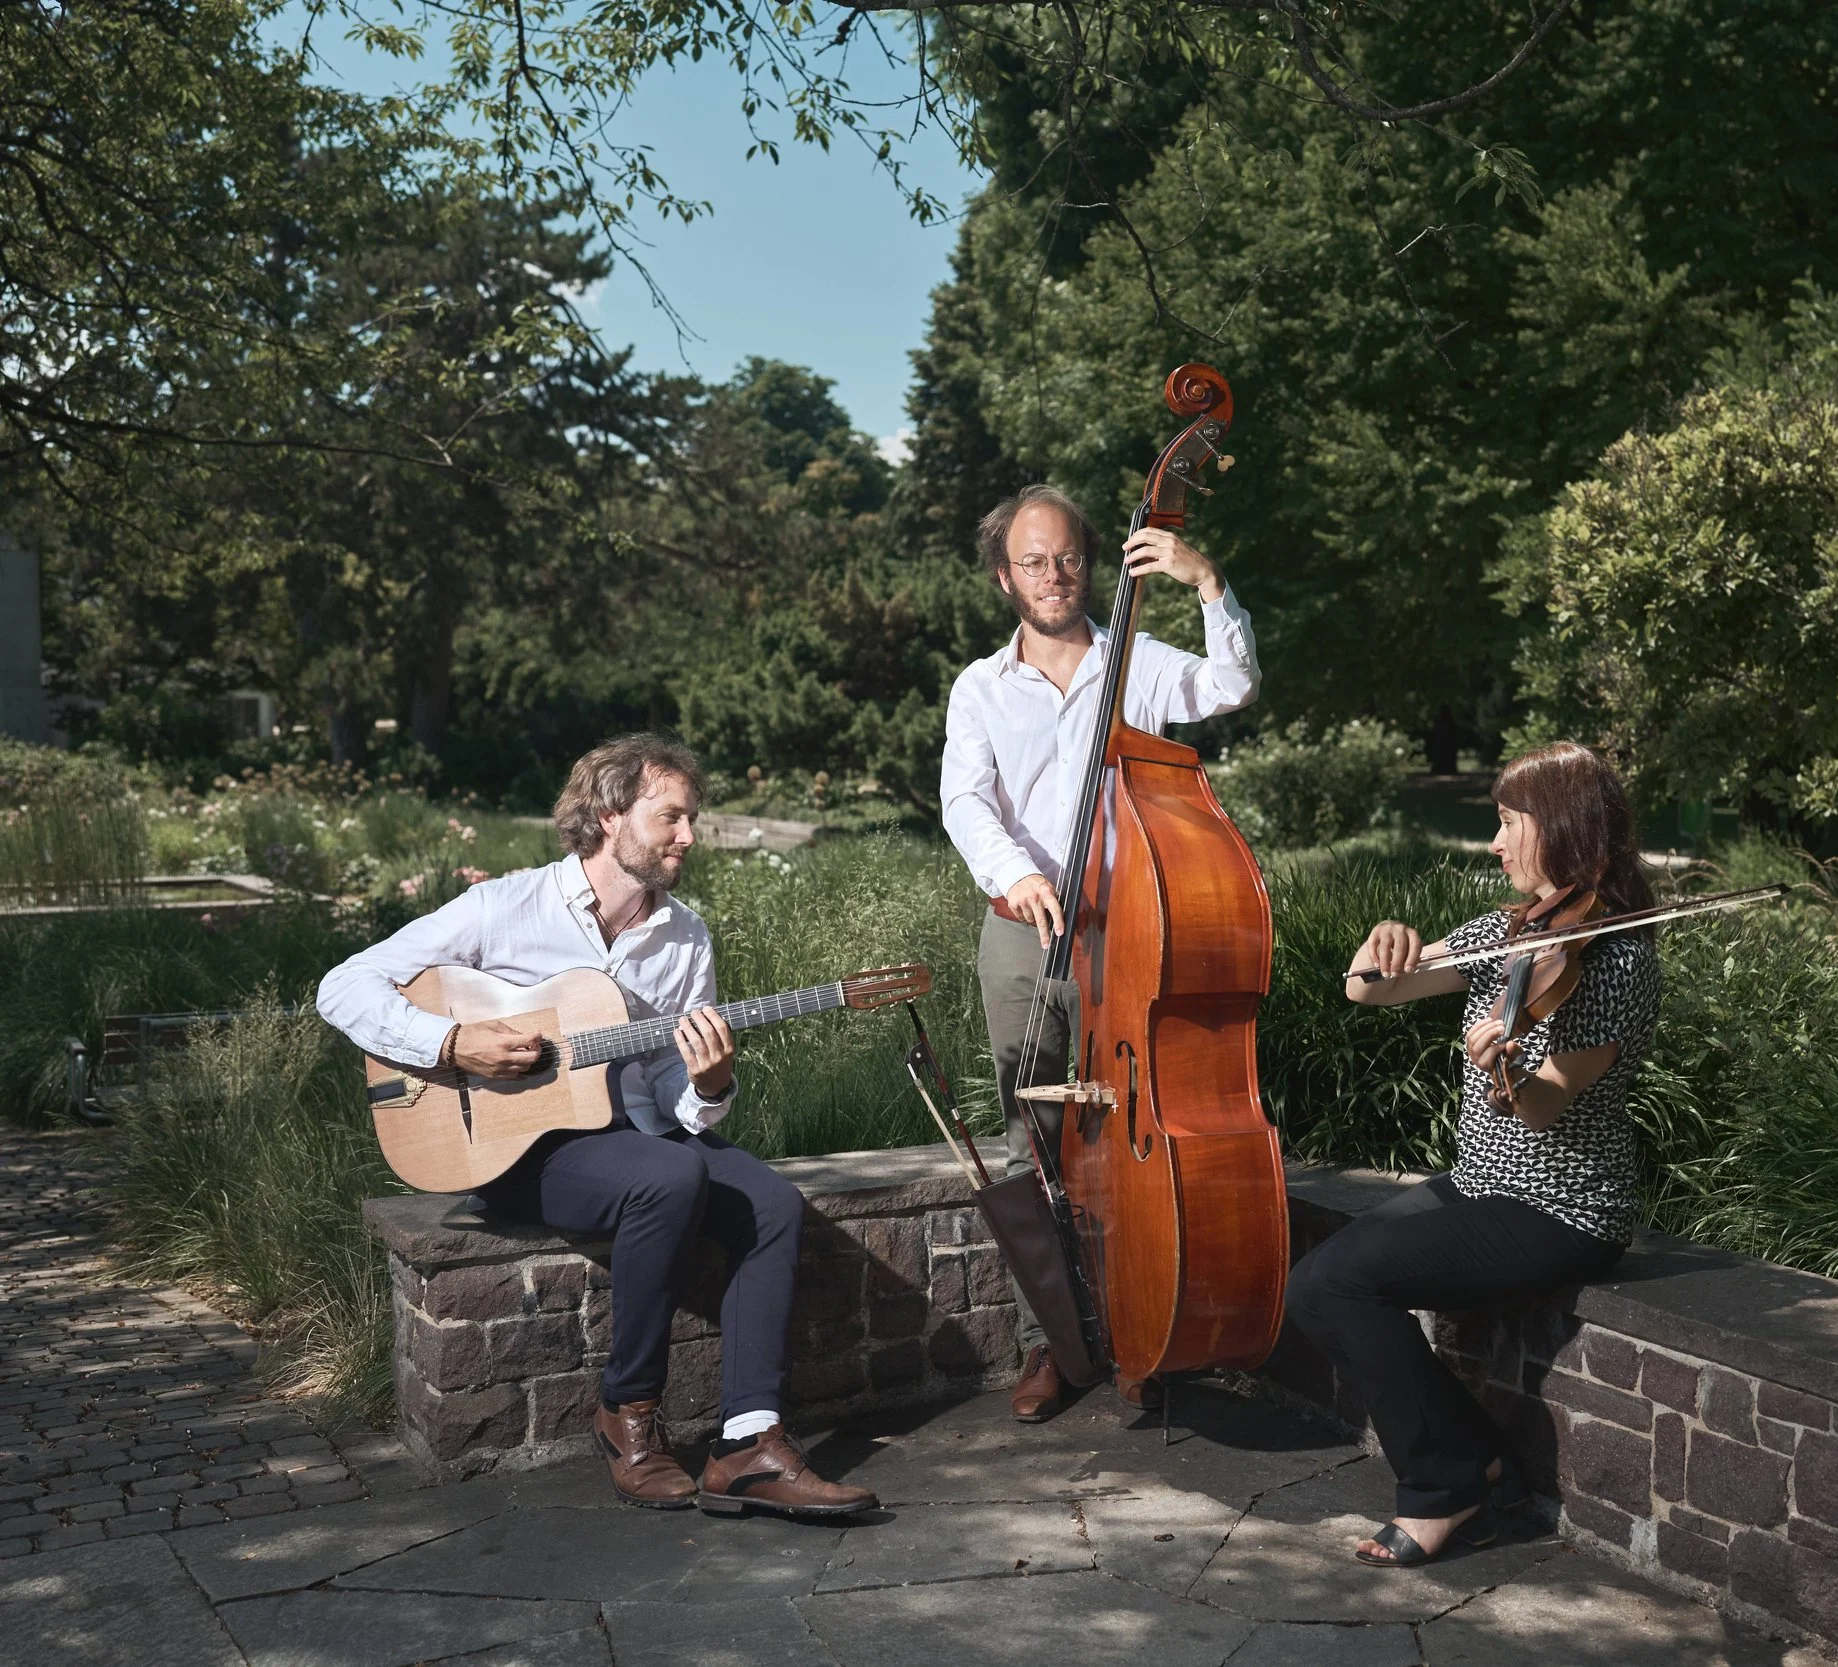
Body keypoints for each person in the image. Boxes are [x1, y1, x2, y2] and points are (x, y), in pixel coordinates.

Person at [317, 735, 875, 1518]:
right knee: (669, 1177)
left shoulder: (685, 936)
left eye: (692, 817)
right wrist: (452, 1041)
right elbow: (343, 986)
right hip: (513, 1152)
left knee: (773, 1204)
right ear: (611, 813)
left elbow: (682, 1098)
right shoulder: (503, 908)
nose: (689, 835)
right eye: (671, 816)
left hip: (633, 1135)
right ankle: (629, 1413)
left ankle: (748, 1440)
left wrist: (711, 1083)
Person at [1287, 740, 1662, 1567]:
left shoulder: (1618, 959)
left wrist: (1504, 1069)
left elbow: (1542, 1110)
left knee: (1351, 1280)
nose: (1494, 842)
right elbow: (1375, 989)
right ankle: (1476, 1455)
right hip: (1479, 1185)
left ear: (1560, 826)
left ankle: (1444, 1491)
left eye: (1507, 822)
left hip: (1561, 1207)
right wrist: (1378, 948)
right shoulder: (1511, 930)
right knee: (1312, 1284)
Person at [940, 482, 1261, 1422]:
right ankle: (1059, 1338)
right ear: (1006, 576)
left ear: (1094, 562)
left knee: (1133, 1130)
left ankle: (1145, 1316)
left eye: (1070, 556)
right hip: (1023, 929)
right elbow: (966, 803)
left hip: (1133, 933)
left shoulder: (1140, 664)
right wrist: (1018, 873)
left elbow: (1233, 684)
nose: (1054, 575)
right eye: (1034, 561)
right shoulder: (979, 686)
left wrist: (1208, 582)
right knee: (1033, 1138)